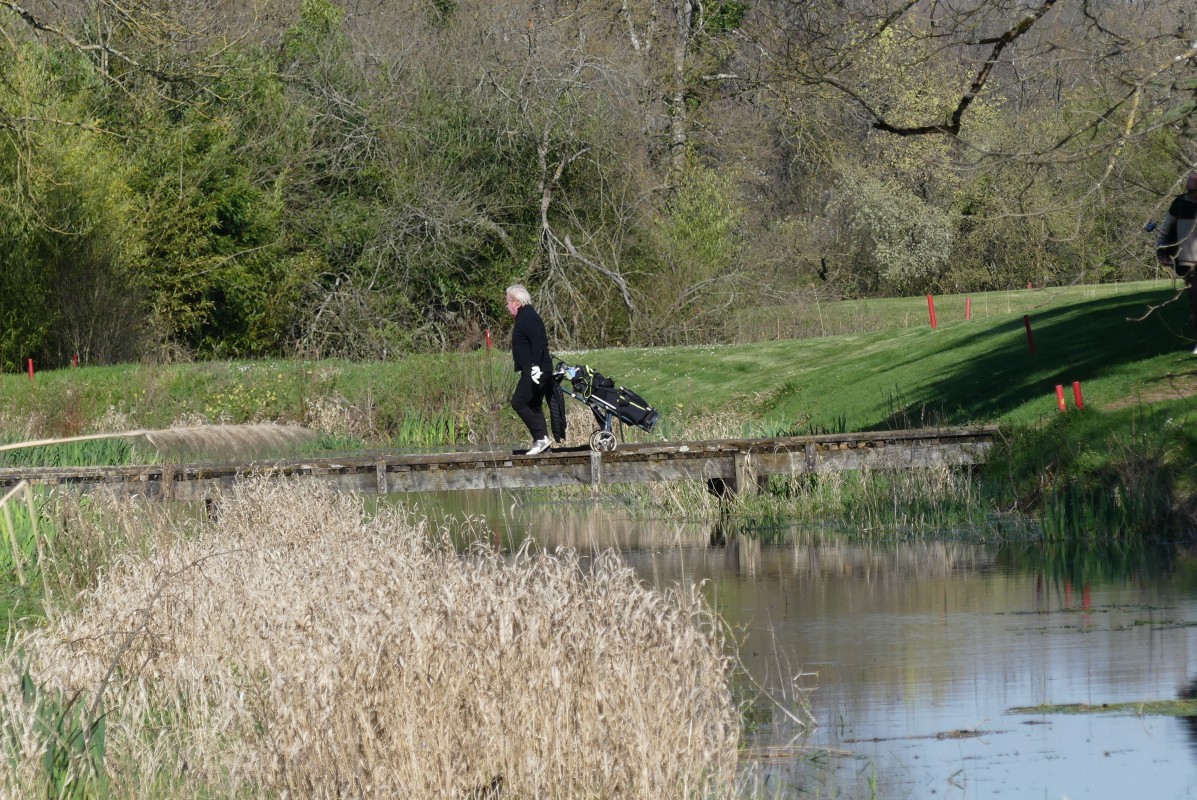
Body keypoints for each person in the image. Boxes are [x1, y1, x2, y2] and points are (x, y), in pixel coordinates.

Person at [505, 284, 555, 454]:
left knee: (518, 402)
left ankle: (540, 438)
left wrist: (535, 366)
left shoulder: (527, 317)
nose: (507, 307)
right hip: (535, 369)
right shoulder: (524, 316)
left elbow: (538, 343)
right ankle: (543, 445)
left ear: (516, 302)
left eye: (508, 303)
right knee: (534, 405)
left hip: (536, 370)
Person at [1156, 173, 1197, 353]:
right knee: (1195, 302)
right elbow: (1164, 231)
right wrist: (1161, 251)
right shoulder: (1179, 204)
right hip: (1190, 263)